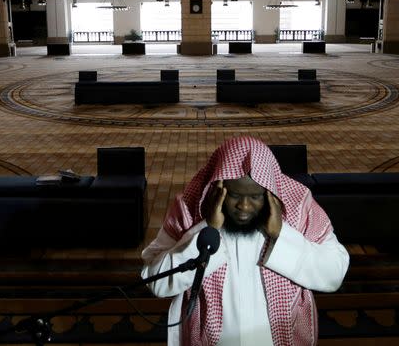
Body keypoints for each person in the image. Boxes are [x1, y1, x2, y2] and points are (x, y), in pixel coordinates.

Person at [141, 136, 350, 345]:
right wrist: (206, 228)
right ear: (217, 187)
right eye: (234, 195)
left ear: (270, 192)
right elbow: (156, 282)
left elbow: (334, 275)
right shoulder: (188, 209)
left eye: (255, 197)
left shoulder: (299, 209)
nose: (245, 207)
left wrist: (281, 234)